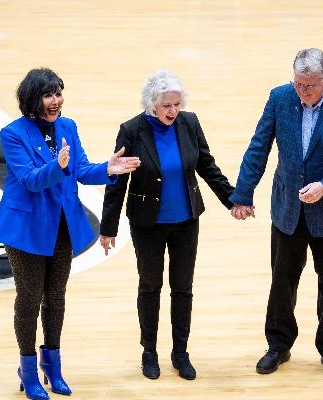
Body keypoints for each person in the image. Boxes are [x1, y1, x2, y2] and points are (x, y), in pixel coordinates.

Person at [230, 48, 323, 379]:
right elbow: (258, 146)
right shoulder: (280, 98)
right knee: (282, 283)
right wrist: (243, 194)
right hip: (287, 210)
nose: (303, 91)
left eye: (309, 85)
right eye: (298, 83)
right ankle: (278, 345)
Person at [0, 67, 140, 400]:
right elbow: (31, 180)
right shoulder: (13, 133)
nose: (56, 101)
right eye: (48, 94)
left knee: (56, 299)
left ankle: (53, 367)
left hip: (62, 227)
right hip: (26, 232)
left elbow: (80, 171)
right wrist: (57, 166)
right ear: (33, 100)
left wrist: (106, 169)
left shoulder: (68, 126)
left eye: (59, 93)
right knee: (29, 302)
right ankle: (28, 371)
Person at [100, 69, 234, 381]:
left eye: (176, 104)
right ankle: (149, 351)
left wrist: (233, 200)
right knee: (150, 286)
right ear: (151, 105)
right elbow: (116, 181)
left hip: (186, 221)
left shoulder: (189, 123)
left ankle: (180, 352)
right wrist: (108, 227)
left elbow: (206, 165)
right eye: (166, 106)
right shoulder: (132, 130)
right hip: (147, 223)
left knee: (183, 288)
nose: (172, 111)